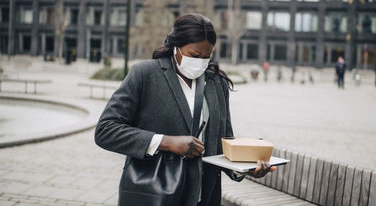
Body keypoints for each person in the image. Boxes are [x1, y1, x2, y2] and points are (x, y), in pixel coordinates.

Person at [94, 13, 275, 206]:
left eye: (207, 56)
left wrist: (247, 167)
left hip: (204, 196)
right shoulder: (145, 74)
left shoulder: (217, 82)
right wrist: (166, 142)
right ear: (176, 47)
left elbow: (222, 143)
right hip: (155, 193)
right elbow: (106, 130)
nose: (200, 62)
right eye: (194, 55)